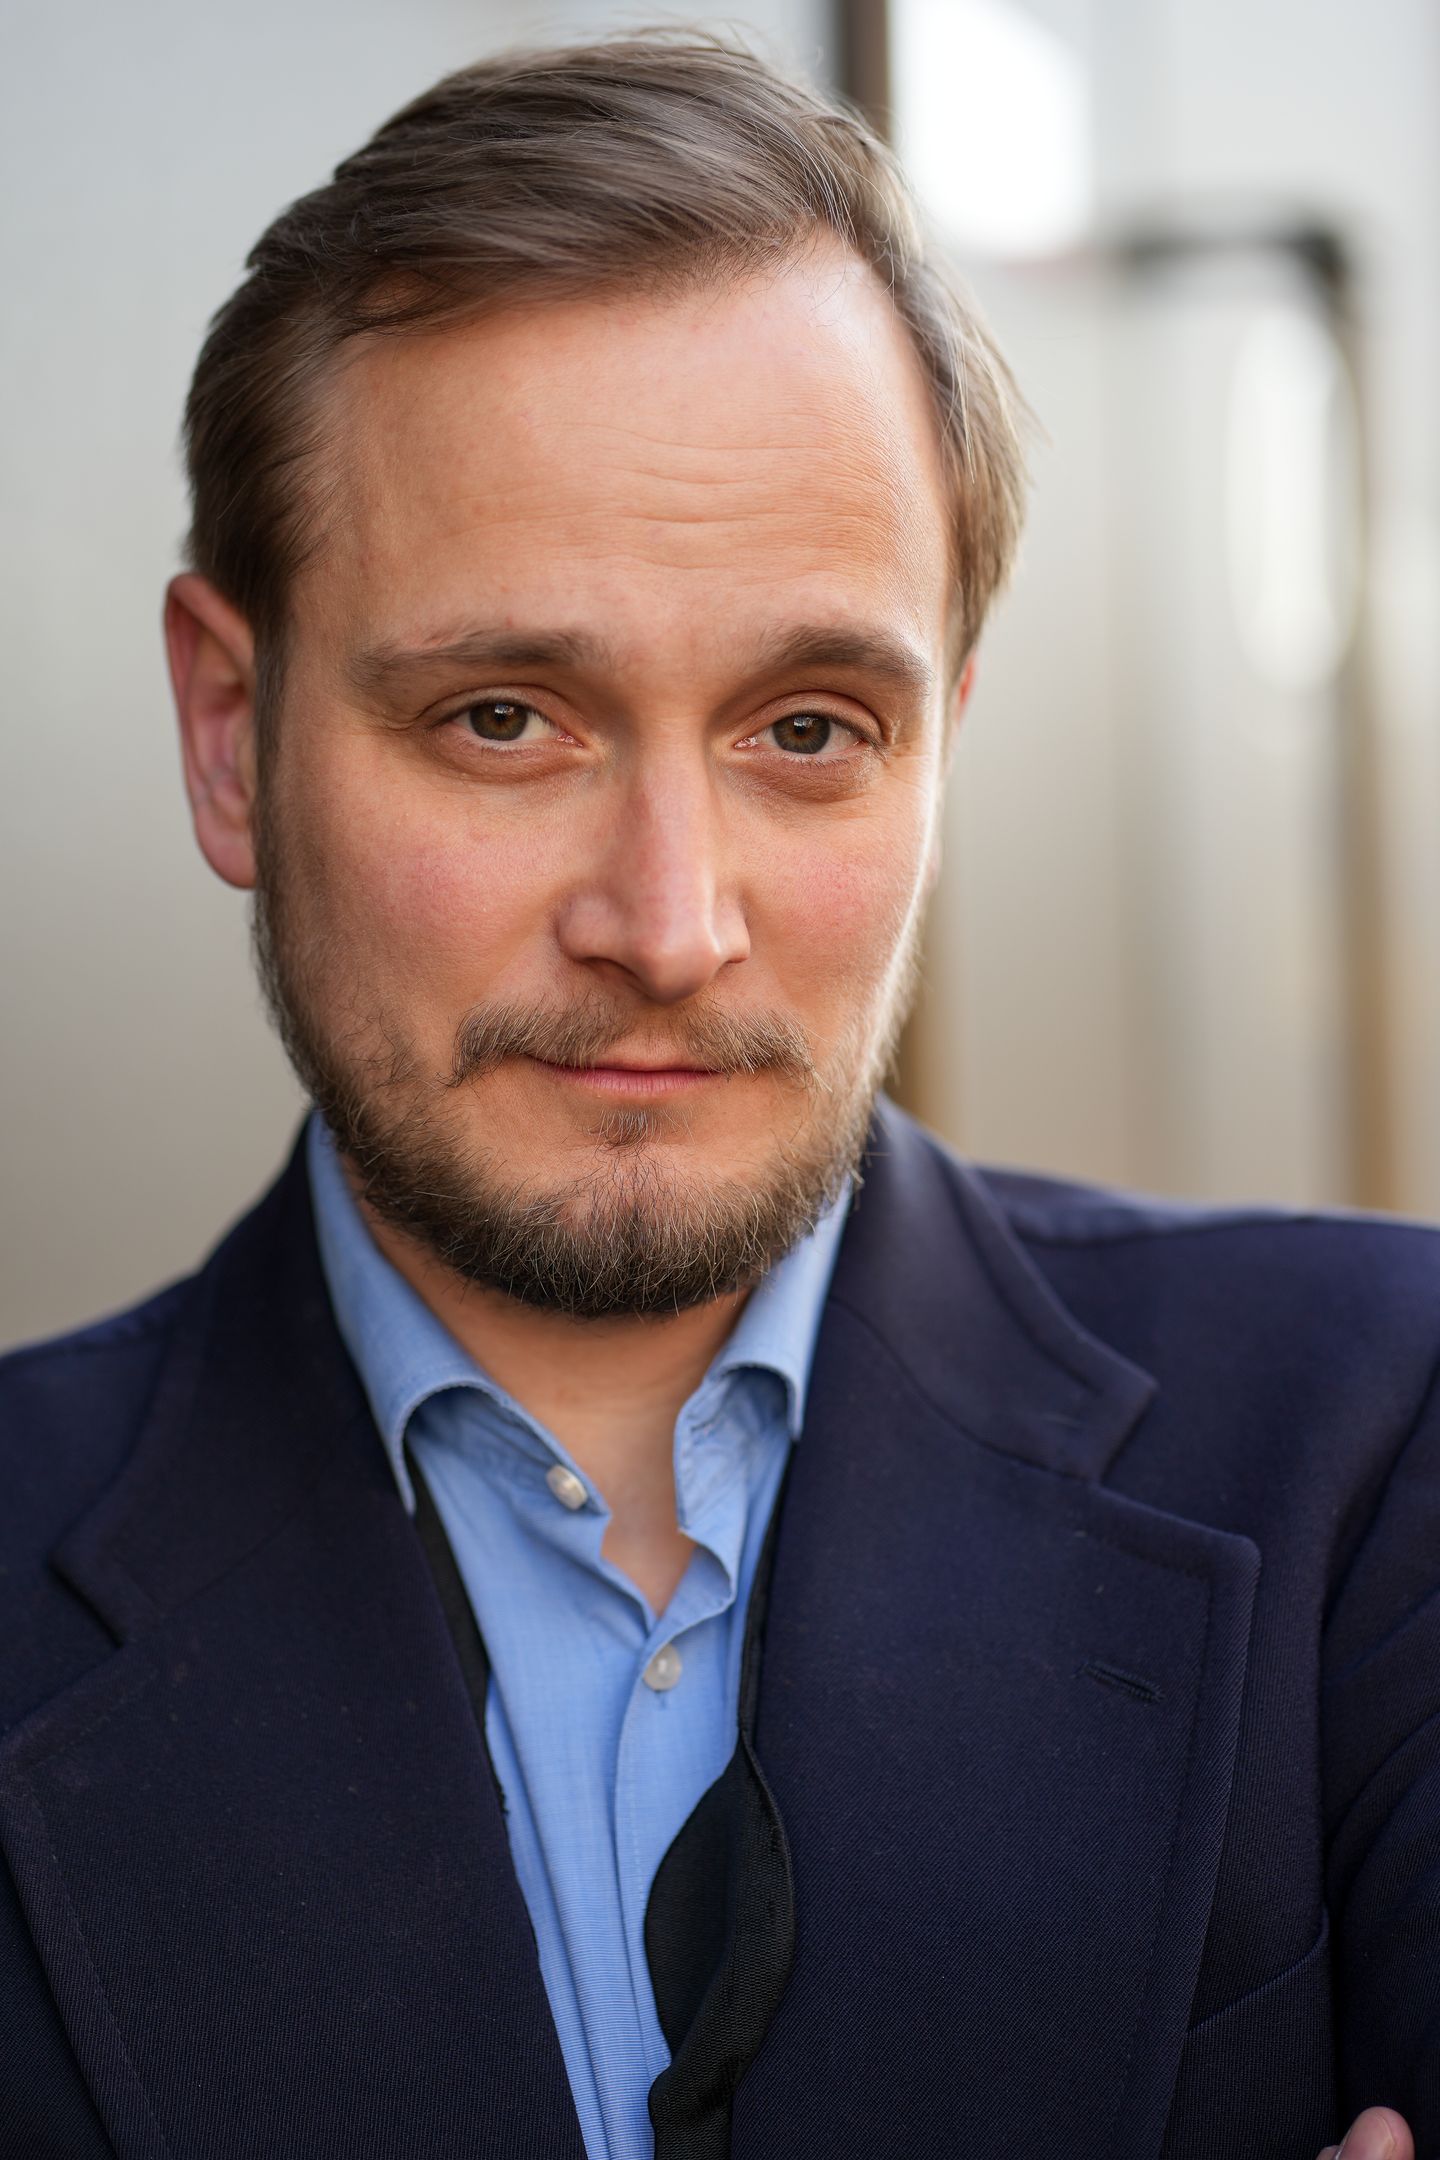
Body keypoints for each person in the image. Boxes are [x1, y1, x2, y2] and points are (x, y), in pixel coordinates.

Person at [0, 33, 1432, 2160]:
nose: (669, 926)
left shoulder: (1388, 1444)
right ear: (232, 733)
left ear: (943, 745)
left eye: (809, 729)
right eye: (504, 718)